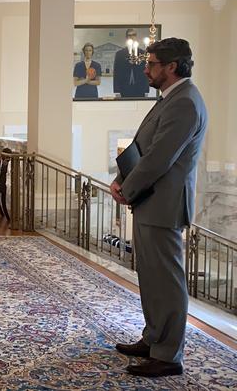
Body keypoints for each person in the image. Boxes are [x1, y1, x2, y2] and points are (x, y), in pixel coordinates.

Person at [109, 38, 207, 378]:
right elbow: (141, 146)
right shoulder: (171, 98)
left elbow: (160, 158)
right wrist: (121, 179)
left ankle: (168, 355)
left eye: (151, 64)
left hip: (163, 203)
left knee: (166, 282)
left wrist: (129, 188)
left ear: (172, 66)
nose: (146, 69)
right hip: (149, 200)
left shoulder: (185, 103)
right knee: (150, 278)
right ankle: (153, 339)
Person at [113, 28, 151, 98]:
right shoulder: (120, 54)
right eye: (129, 35)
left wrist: (146, 90)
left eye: (133, 35)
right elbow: (116, 73)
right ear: (126, 37)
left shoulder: (143, 53)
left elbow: (147, 72)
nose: (131, 37)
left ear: (136, 37)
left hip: (140, 87)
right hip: (124, 87)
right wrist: (117, 90)